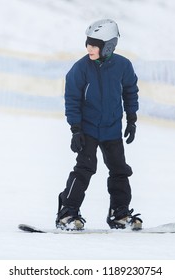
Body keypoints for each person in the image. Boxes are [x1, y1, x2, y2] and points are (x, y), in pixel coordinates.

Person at [56, 19, 142, 231]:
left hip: (112, 129)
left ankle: (119, 213)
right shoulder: (80, 68)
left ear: (109, 46)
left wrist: (131, 119)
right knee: (85, 168)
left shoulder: (123, 66)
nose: (89, 48)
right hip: (89, 129)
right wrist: (75, 129)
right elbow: (72, 99)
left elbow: (130, 90)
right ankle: (67, 212)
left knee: (119, 170)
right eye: (88, 43)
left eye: (95, 45)